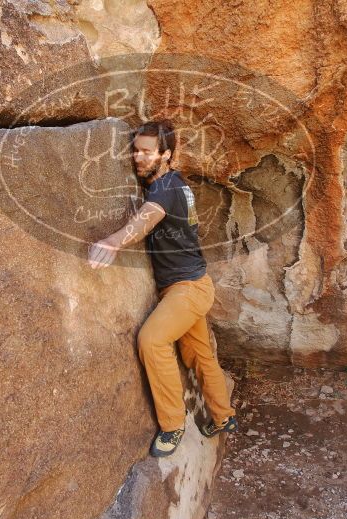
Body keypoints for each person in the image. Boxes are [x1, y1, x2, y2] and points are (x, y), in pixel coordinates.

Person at [87, 120, 237, 457]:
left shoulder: (165, 188)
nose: (138, 157)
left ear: (166, 154)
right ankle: (223, 416)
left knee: (152, 340)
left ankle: (172, 425)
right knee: (199, 355)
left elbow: (147, 218)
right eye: (135, 151)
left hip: (187, 289)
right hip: (192, 284)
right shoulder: (175, 183)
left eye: (147, 152)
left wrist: (113, 242)